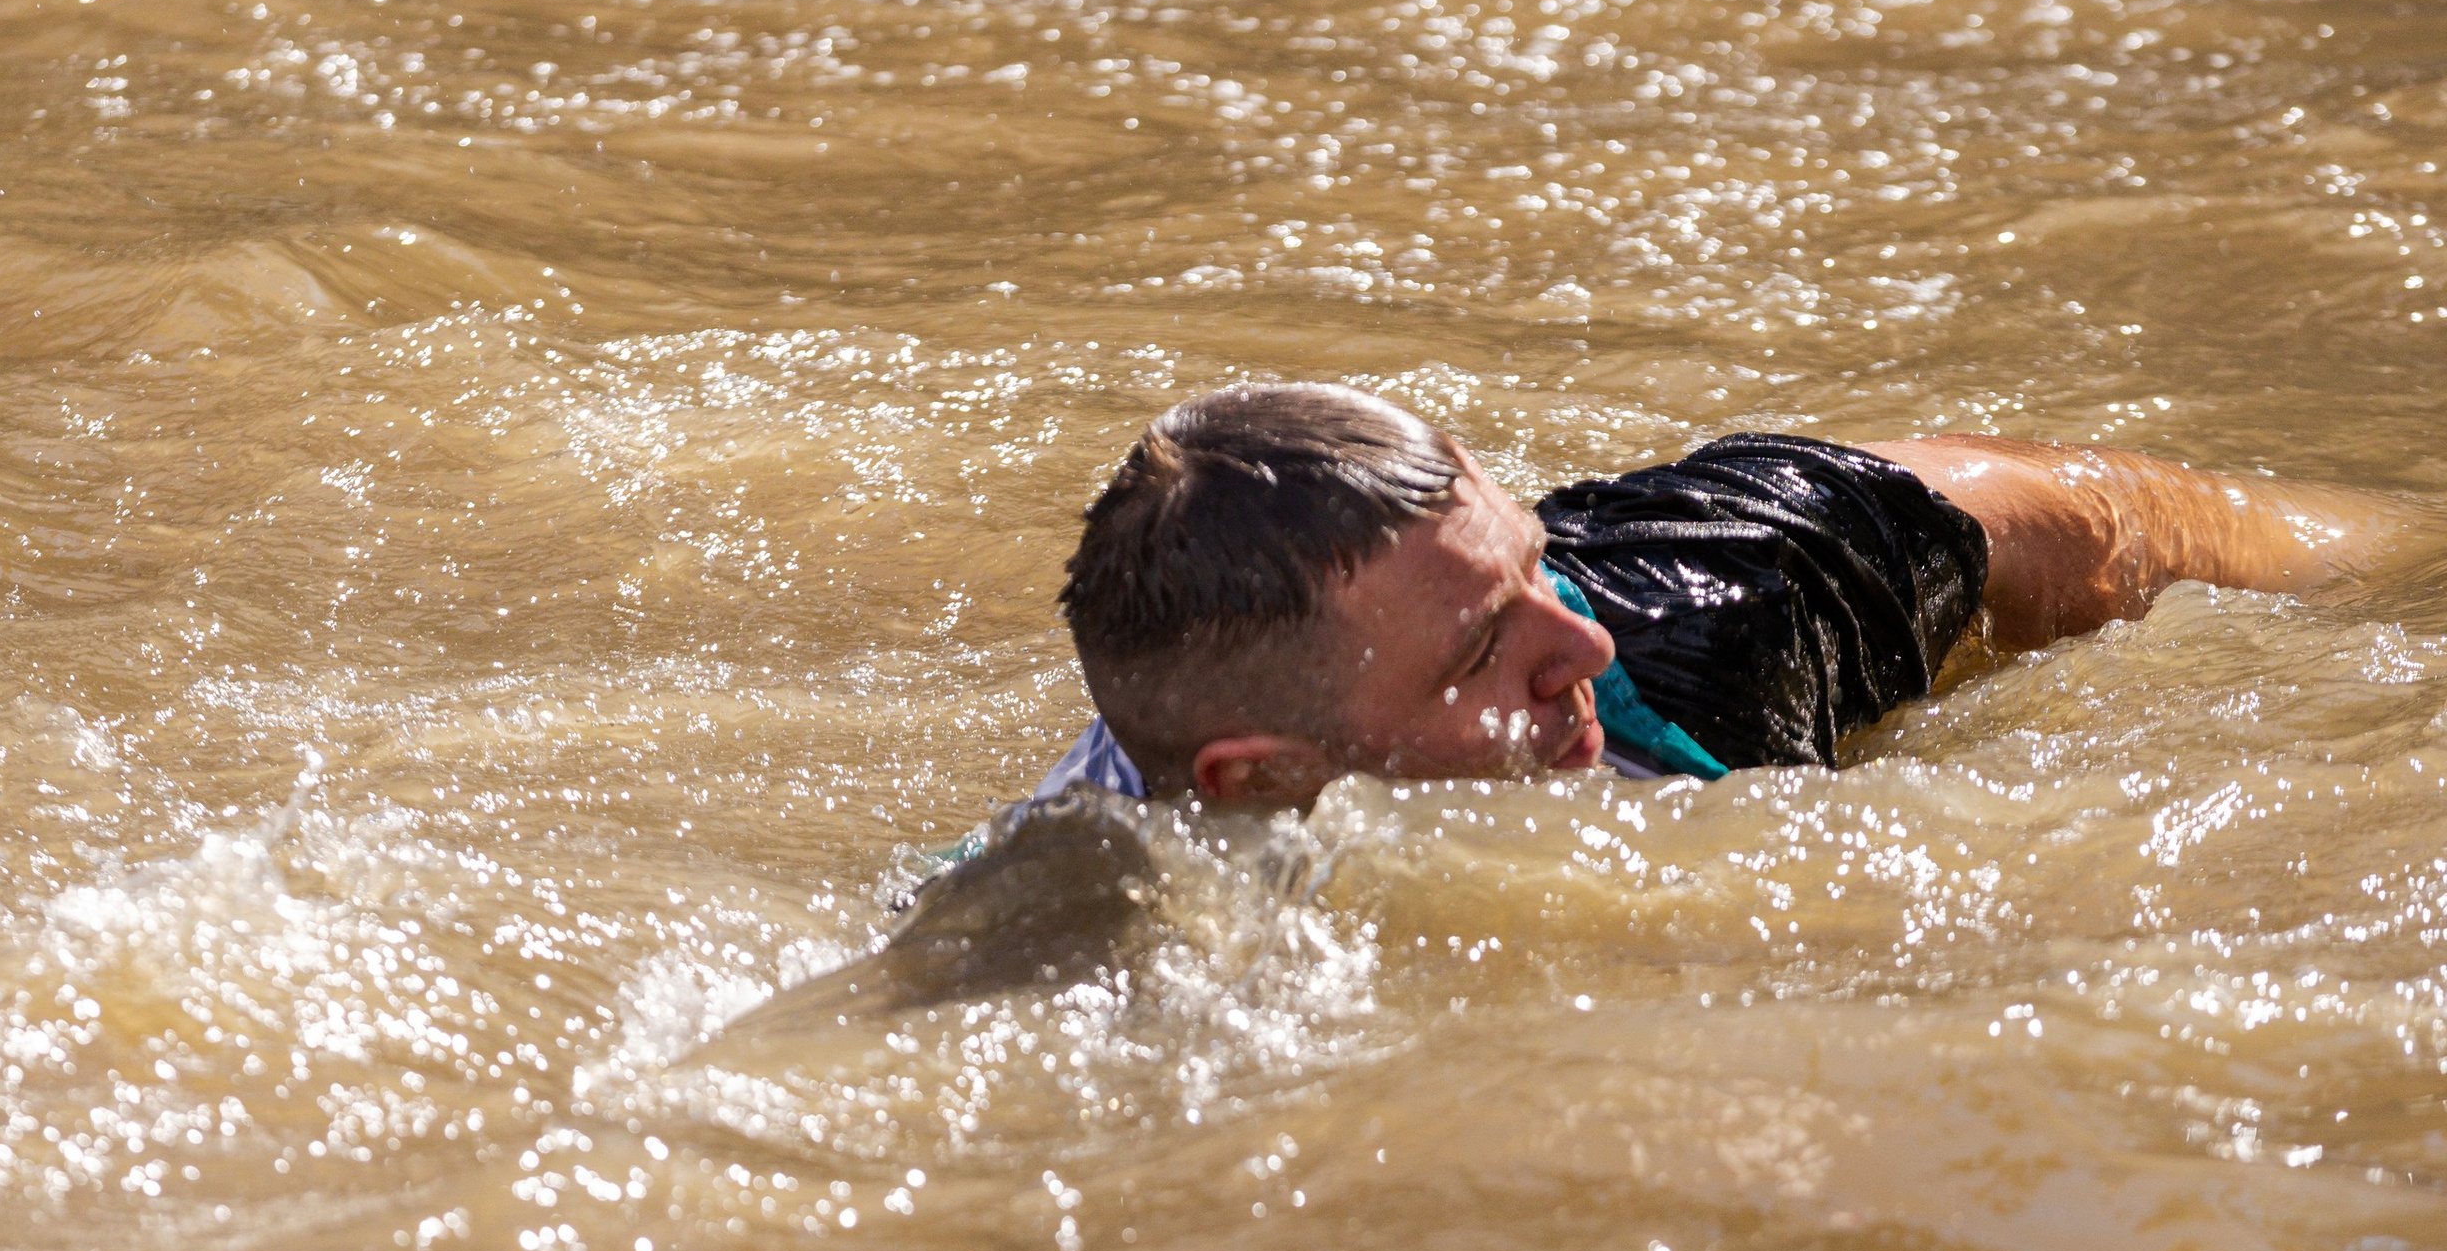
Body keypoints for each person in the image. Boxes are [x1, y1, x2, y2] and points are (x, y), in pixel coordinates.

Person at [1030, 385, 2403, 809]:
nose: (1582, 643)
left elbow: (2074, 522)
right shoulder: (1068, 905)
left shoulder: (1698, 619)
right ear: (1258, 779)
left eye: (1534, 571)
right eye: (1477, 658)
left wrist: (2396, 558)